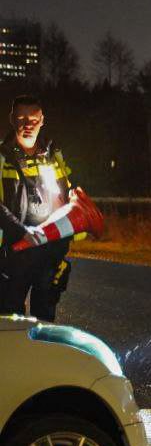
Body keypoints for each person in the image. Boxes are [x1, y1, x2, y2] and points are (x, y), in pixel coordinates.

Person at [0, 95, 78, 320]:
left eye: (33, 119)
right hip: (12, 254)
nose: (27, 125)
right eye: (22, 118)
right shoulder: (2, 157)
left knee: (45, 323)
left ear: (42, 120)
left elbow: (65, 198)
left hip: (49, 252)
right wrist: (22, 233)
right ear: (12, 119)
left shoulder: (53, 155)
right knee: (9, 323)